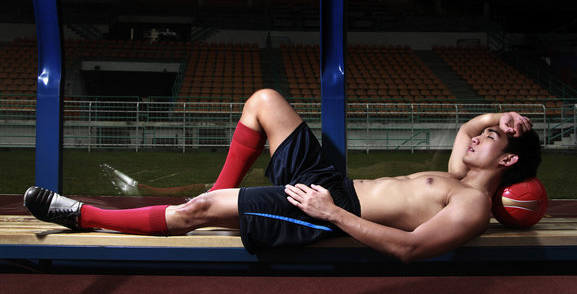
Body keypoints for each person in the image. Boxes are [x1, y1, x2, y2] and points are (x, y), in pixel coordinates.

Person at [24, 89, 541, 262]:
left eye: (492, 140)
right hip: (330, 183)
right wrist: (503, 120)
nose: (476, 137)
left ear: (508, 161)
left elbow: (409, 250)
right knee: (264, 101)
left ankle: (84, 217)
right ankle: (221, 187)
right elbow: (470, 125)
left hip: (332, 212)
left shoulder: (470, 205)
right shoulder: (456, 173)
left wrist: (329, 211)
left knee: (195, 214)